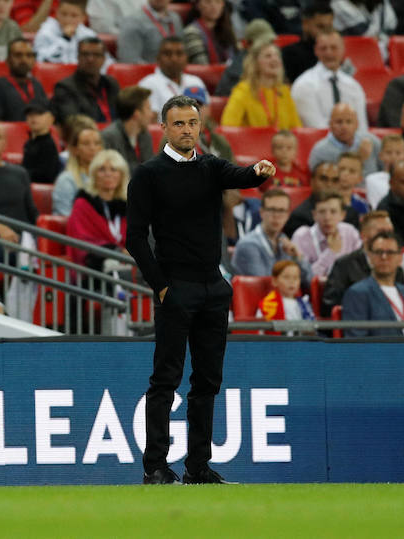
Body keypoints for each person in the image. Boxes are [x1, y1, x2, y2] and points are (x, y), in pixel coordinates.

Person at [126, 95, 276, 484]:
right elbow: (135, 238)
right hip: (176, 288)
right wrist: (160, 287)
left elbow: (240, 176)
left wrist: (259, 171)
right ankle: (155, 466)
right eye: (179, 124)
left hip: (213, 287)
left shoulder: (210, 166)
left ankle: (197, 467)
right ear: (164, 128)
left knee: (208, 381)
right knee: (166, 380)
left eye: (192, 123)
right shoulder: (148, 174)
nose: (187, 130)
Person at [341, 230, 404, 337]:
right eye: (379, 252)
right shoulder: (357, 294)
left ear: (400, 258)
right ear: (370, 257)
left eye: (390, 252)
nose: (384, 257)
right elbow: (356, 340)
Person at [321, 210, 401, 317]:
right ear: (364, 236)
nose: (387, 237)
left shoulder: (396, 269)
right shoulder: (344, 266)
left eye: (390, 232)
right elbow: (329, 307)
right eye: (381, 232)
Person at [290, 30, 368, 130]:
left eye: (334, 48)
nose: (329, 52)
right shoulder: (304, 84)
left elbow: (362, 126)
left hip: (354, 143)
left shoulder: (354, 86)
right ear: (316, 51)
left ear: (343, 49)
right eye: (323, 48)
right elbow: (315, 127)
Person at [231, 189, 311, 284]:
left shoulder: (285, 243)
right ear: (261, 212)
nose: (276, 216)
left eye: (281, 210)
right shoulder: (248, 245)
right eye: (272, 210)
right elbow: (264, 285)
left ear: (288, 215)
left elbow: (309, 281)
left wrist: (298, 258)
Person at [66, 150, 129, 270]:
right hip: (95, 269)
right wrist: (118, 251)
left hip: (126, 263)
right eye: (102, 170)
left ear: (121, 175)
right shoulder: (83, 204)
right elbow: (82, 243)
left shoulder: (128, 206)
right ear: (94, 175)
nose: (108, 174)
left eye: (113, 169)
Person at [220, 40, 301, 129]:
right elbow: (228, 127)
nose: (275, 59)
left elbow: (296, 128)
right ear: (255, 63)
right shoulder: (244, 90)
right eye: (268, 56)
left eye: (277, 55)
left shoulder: (284, 91)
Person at [292, 190, 362, 278]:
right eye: (322, 212)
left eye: (333, 212)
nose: (327, 218)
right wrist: (330, 253)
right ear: (314, 215)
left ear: (343, 215)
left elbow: (361, 268)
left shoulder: (350, 232)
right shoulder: (302, 236)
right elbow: (305, 278)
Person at [0, 38, 49, 123]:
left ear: (34, 61)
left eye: (29, 55)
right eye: (18, 55)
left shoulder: (37, 85)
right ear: (8, 60)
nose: (24, 60)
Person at [50, 38, 119, 124]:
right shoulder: (65, 87)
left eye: (96, 55)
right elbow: (73, 122)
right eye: (85, 54)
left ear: (104, 59)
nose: (90, 59)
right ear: (78, 57)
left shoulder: (111, 83)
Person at [137, 37, 208, 120]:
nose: (174, 59)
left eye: (179, 53)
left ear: (187, 58)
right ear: (158, 58)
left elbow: (206, 115)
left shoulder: (196, 82)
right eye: (167, 54)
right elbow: (151, 124)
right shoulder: (148, 84)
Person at [283, 162, 362, 236]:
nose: (329, 184)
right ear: (312, 181)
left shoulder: (351, 214)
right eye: (324, 179)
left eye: (335, 180)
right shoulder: (299, 216)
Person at [307, 103, 381, 175]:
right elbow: (319, 182)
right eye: (339, 122)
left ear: (357, 124)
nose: (344, 127)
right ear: (330, 124)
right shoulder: (320, 151)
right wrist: (360, 159)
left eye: (349, 122)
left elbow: (386, 172)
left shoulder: (372, 141)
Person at [214, 18, 277, 98]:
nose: (268, 47)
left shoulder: (269, 63)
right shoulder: (239, 69)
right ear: (249, 45)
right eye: (263, 44)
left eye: (270, 42)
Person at [100, 87, 154, 175]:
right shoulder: (109, 137)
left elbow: (150, 169)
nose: (151, 114)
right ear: (137, 114)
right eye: (148, 109)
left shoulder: (145, 135)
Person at [52, 125, 103, 216]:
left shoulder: (109, 178)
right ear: (74, 149)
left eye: (97, 143)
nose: (92, 148)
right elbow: (65, 216)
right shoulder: (66, 180)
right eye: (86, 143)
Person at [281, 1, 335, 83]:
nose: (325, 32)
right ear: (305, 24)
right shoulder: (289, 54)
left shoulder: (335, 53)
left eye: (329, 27)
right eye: (320, 26)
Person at [33, 0, 100, 64]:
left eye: (74, 16)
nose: (68, 20)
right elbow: (42, 60)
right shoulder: (45, 32)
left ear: (83, 17)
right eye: (64, 14)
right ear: (57, 12)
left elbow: (104, 62)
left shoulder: (89, 35)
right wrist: (65, 38)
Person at [117, 0, 183, 64]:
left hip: (175, 71)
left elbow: (182, 52)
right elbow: (129, 60)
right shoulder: (132, 21)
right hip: (146, 72)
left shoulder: (175, 19)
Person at [331, 0, 397, 63]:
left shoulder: (381, 3)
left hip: (378, 54)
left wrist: (380, 37)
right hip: (349, 55)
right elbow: (363, 33)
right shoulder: (339, 2)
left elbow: (391, 26)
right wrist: (378, 37)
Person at [182, 86, 234, 162]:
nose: (194, 110)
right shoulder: (171, 141)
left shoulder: (220, 142)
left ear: (208, 109)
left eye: (198, 105)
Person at [256, 260, 316, 326]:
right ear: (274, 281)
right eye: (286, 277)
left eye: (296, 278)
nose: (292, 281)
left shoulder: (304, 303)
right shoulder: (267, 305)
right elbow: (260, 329)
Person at [180, 0, 236, 65]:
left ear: (223, 5)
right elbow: (202, 65)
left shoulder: (226, 28)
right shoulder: (191, 32)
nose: (213, 6)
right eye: (208, 2)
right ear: (198, 5)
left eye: (218, 2)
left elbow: (235, 58)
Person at [365, 134, 404, 209]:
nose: (393, 157)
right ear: (381, 155)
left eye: (398, 153)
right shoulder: (371, 180)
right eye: (389, 152)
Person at [21, 103, 62, 183]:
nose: (33, 117)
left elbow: (46, 176)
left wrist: (20, 173)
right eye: (29, 114)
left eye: (39, 113)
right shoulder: (28, 143)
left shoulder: (49, 145)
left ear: (51, 119)